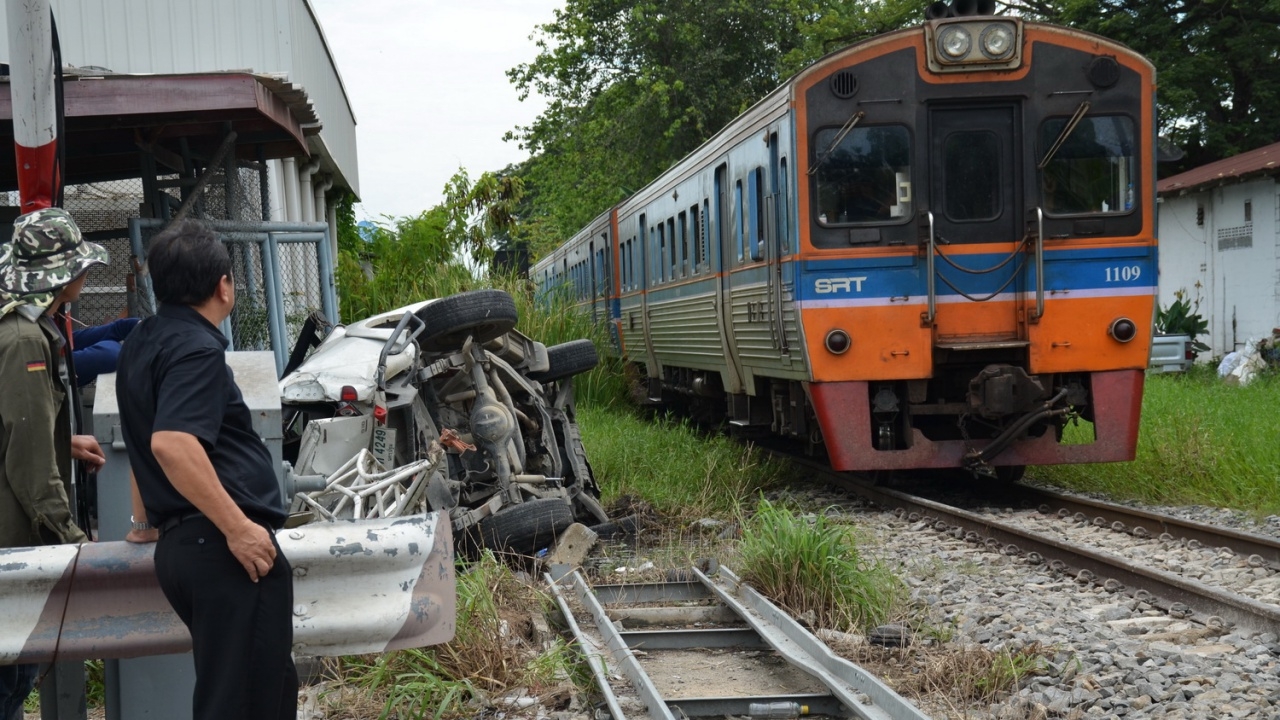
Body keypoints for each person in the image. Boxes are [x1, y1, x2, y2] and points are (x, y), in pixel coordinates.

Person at [116, 220, 297, 720]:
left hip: (187, 545)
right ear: (224, 285)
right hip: (222, 547)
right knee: (240, 703)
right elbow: (171, 444)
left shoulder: (142, 341)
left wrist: (145, 523)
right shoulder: (196, 349)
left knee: (265, 689)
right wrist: (238, 529)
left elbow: (139, 439)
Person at [0, 208, 109, 720]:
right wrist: (70, 542)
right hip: (12, 542)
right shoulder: (24, 340)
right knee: (11, 678)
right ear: (60, 276)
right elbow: (28, 462)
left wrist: (63, 440)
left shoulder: (16, 324)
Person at [71, 316, 141, 386]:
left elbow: (118, 328)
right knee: (112, 355)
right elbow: (110, 356)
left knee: (126, 326)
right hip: (62, 365)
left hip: (62, 341)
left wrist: (139, 325)